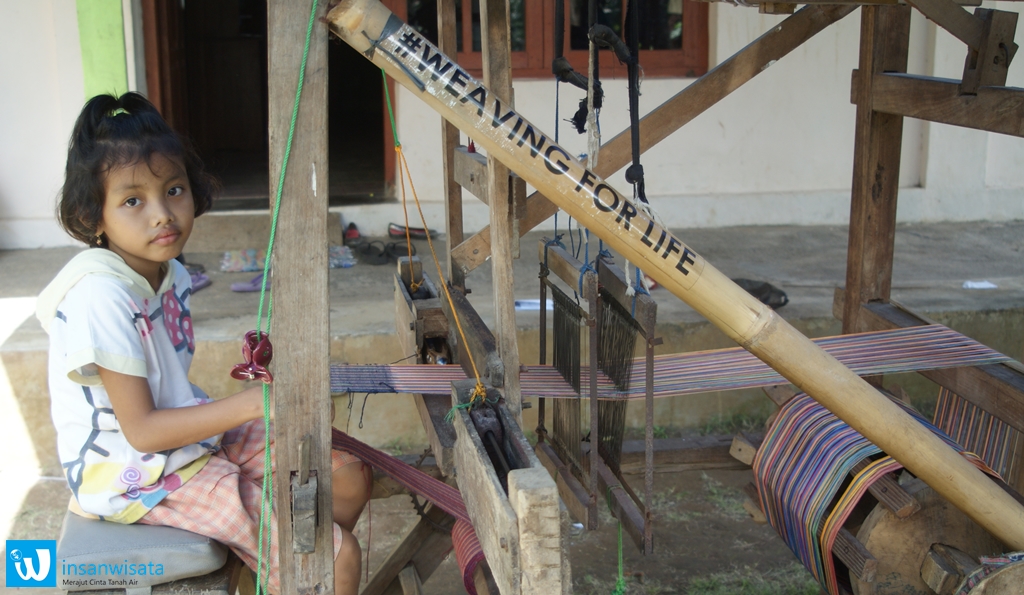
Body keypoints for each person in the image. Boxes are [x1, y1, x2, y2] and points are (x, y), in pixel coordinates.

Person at [37, 92, 370, 595]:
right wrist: (257, 403)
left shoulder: (170, 274)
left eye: (173, 190)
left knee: (346, 478)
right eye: (132, 201)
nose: (162, 214)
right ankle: (301, 570)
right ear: (93, 216)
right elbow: (142, 432)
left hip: (183, 442)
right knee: (336, 556)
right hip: (133, 477)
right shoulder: (99, 297)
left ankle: (284, 574)